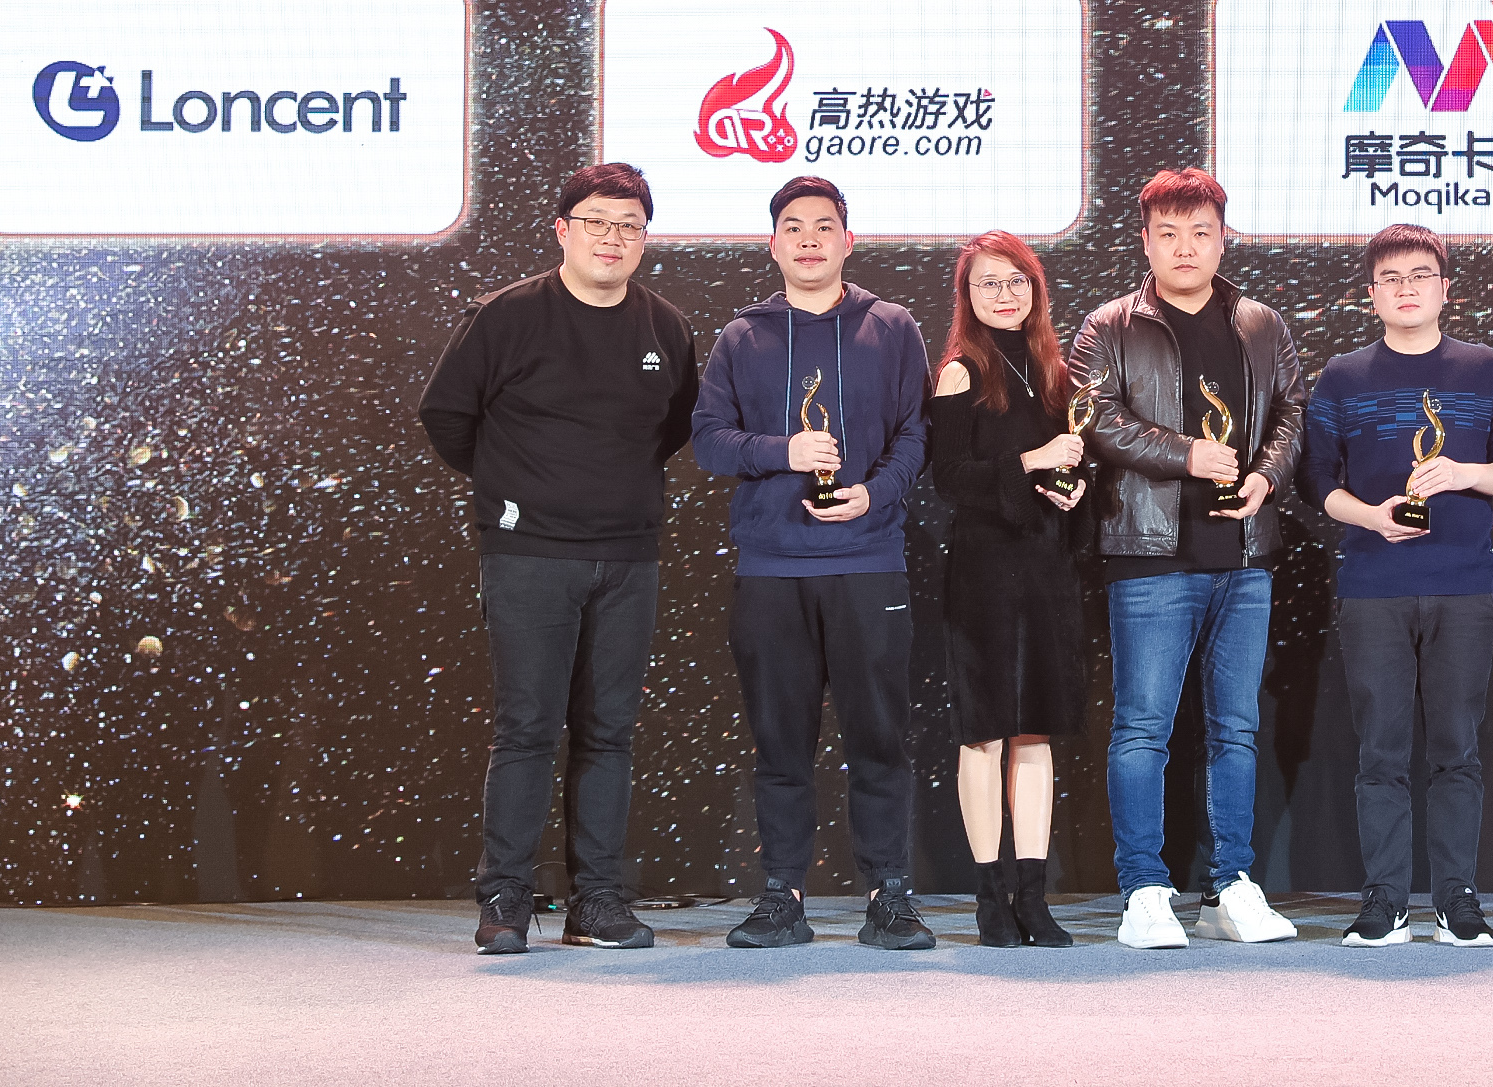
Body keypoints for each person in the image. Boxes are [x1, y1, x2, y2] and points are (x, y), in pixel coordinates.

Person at [417, 162, 698, 955]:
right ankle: (505, 897)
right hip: (529, 553)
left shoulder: (666, 326)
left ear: (644, 238)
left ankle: (596, 901)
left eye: (630, 225)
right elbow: (446, 415)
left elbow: (676, 425)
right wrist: (517, 487)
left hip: (628, 555)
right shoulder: (505, 316)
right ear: (563, 229)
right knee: (526, 730)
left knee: (609, 733)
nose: (613, 237)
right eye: (597, 221)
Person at [690, 176, 935, 951]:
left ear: (847, 241)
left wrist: (874, 493)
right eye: (792, 226)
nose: (807, 239)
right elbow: (707, 440)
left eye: (823, 226)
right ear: (773, 244)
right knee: (780, 741)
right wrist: (783, 450)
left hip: (868, 559)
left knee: (880, 737)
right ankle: (781, 896)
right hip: (772, 569)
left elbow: (917, 433)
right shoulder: (742, 336)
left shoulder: (891, 326)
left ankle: (889, 895)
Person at [1070, 168, 1308, 950]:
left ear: (1222, 237)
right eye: (1168, 233)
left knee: (1236, 729)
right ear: (1144, 240)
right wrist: (1186, 455)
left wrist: (1267, 477)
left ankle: (1231, 883)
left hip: (1244, 555)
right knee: (1143, 728)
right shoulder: (1109, 325)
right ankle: (1143, 888)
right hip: (1149, 555)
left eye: (1200, 231)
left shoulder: (1261, 323)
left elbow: (1291, 412)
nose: (1185, 247)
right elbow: (1097, 419)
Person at [1300, 224, 1493, 949]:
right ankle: (1386, 899)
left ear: (1445, 288)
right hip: (1374, 584)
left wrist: (1461, 473)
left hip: (1463, 585)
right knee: (1381, 750)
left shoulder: (1486, 369)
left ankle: (1457, 899)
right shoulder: (1342, 376)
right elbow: (1316, 481)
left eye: (1420, 275)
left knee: (1458, 747)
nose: (1406, 288)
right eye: (1391, 278)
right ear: (1371, 294)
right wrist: (1372, 515)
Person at [927, 231, 1090, 947]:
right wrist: (1031, 460)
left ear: (1035, 289)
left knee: (1035, 731)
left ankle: (1033, 896)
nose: (1004, 294)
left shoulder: (1057, 372)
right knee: (986, 730)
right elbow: (948, 479)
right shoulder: (958, 373)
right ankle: (990, 897)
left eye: (1016, 280)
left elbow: (1076, 463)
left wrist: (1074, 488)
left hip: (1047, 568)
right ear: (967, 296)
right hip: (984, 573)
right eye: (988, 283)